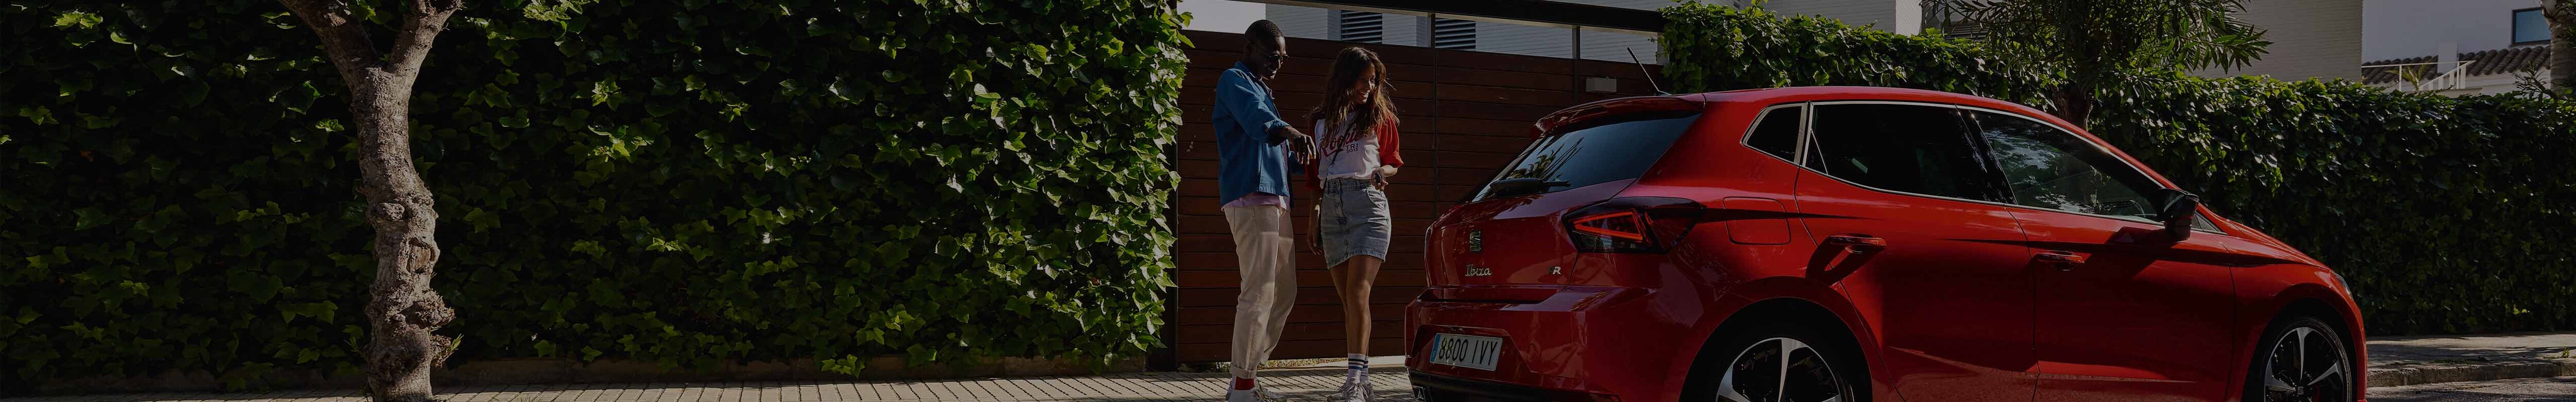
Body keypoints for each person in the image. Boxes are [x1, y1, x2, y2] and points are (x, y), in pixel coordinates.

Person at [1213, 20, 1311, 402]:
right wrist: (1289, 131)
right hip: (1251, 197)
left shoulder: (1264, 90)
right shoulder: (1234, 80)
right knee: (1258, 292)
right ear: (1249, 47)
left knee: (1284, 291)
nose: (1278, 63)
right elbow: (1259, 123)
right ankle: (1241, 385)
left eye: (1283, 58)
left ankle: (1249, 375)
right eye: (1273, 56)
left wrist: (1322, 161)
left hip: (1276, 198)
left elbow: (1283, 153)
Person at [1302, 47, 1401, 402]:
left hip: (1368, 204)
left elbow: (1393, 162)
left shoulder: (1380, 116)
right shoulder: (1318, 120)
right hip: (1331, 208)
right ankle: (1364, 380)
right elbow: (1315, 178)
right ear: (1345, 78)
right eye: (1363, 80)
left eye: (1373, 81)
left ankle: (1355, 381)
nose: (1369, 87)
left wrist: (1381, 171)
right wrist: (1312, 218)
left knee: (1359, 292)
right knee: (1349, 300)